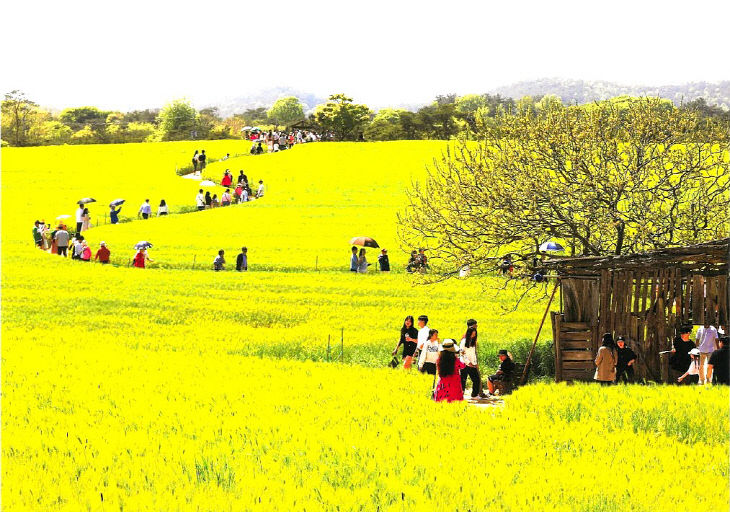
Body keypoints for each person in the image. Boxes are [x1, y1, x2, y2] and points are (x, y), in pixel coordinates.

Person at [460, 325, 481, 399]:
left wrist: (475, 363)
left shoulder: (473, 342)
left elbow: (473, 354)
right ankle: (461, 394)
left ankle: (474, 395)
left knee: (476, 380)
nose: (473, 335)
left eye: (475, 334)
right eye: (472, 334)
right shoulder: (463, 341)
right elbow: (462, 353)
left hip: (472, 364)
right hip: (464, 364)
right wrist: (468, 362)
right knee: (463, 380)